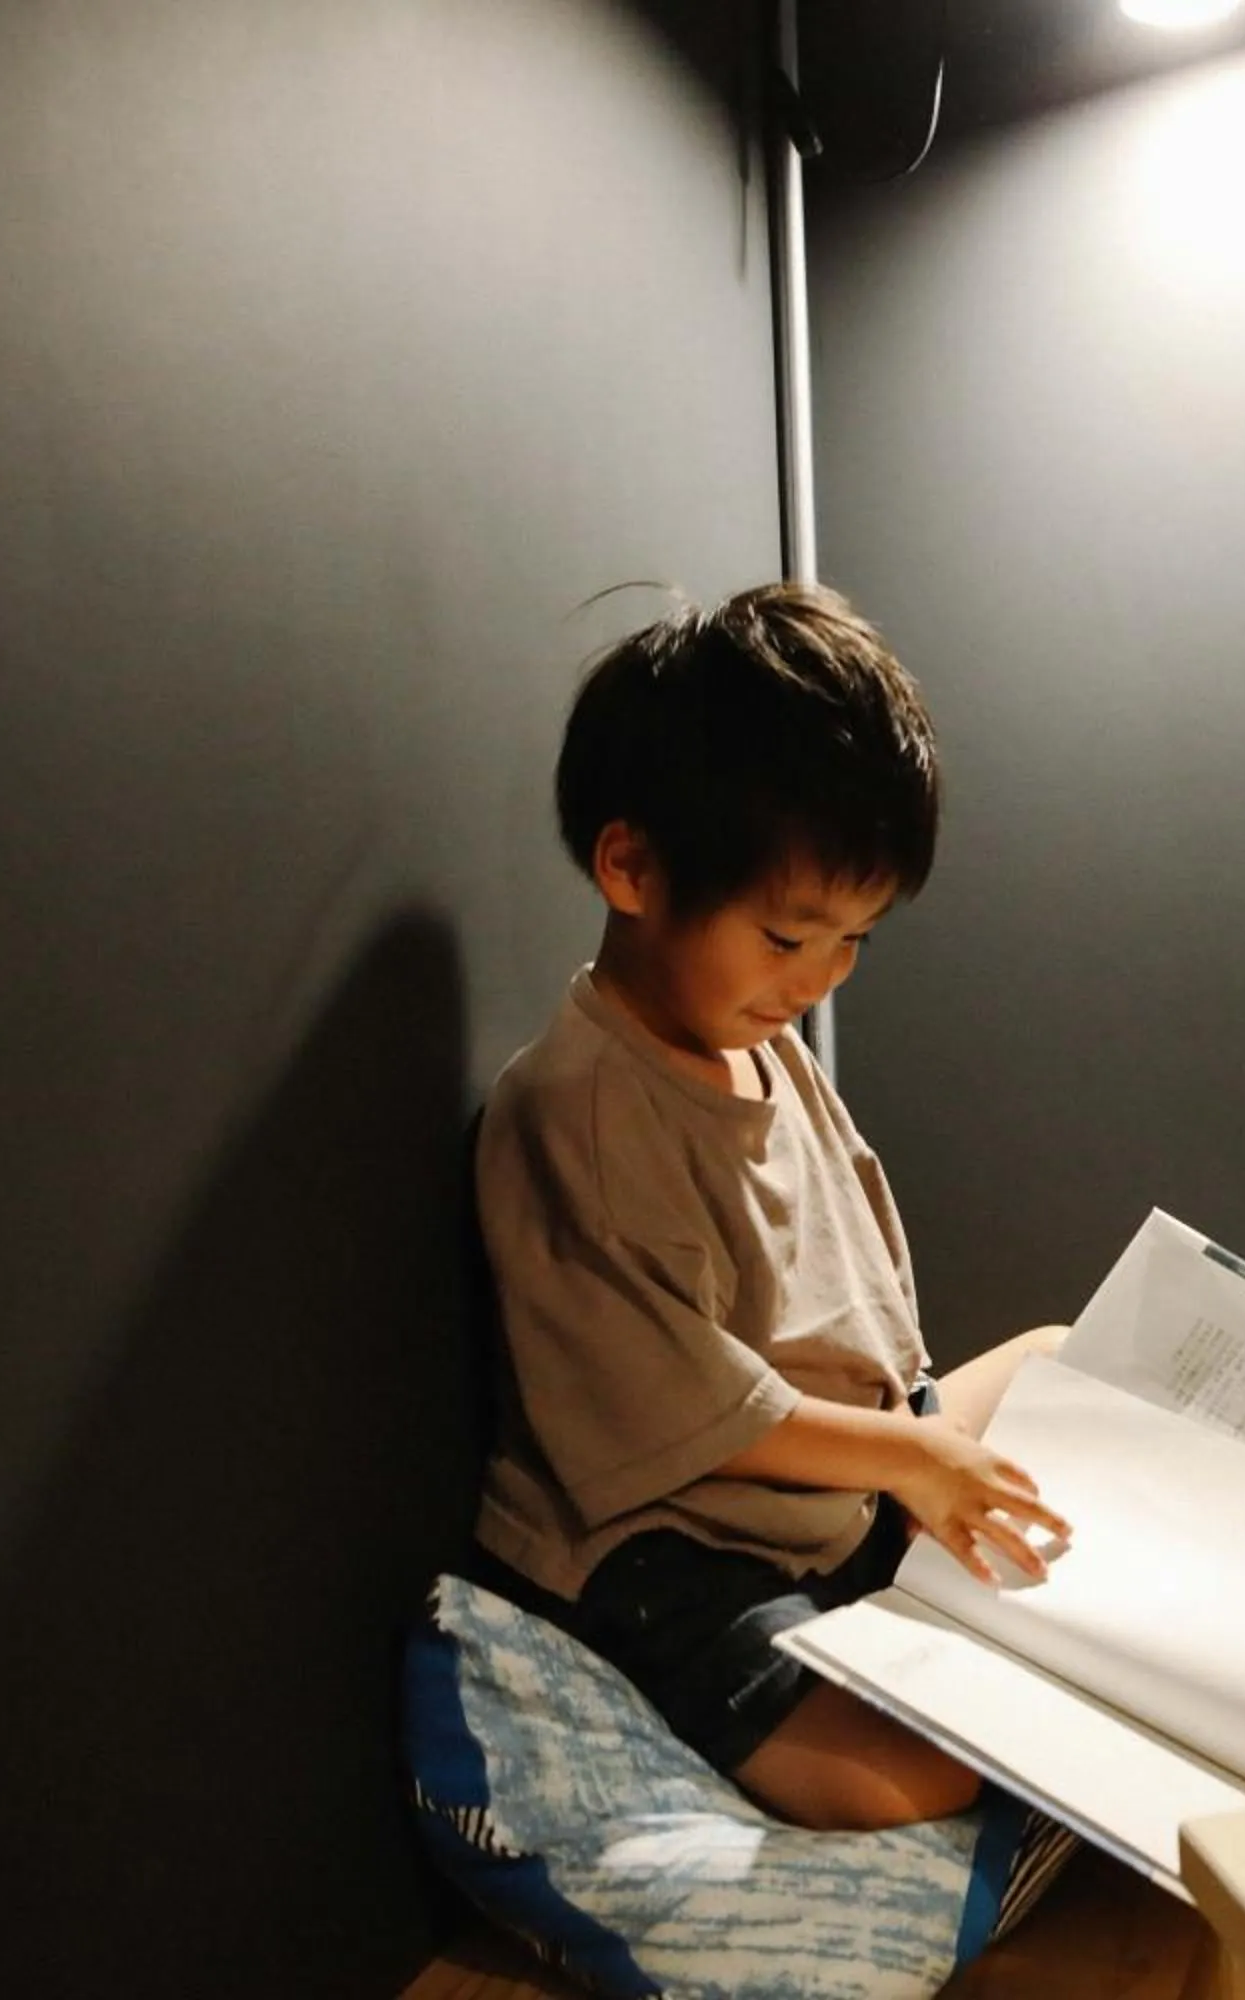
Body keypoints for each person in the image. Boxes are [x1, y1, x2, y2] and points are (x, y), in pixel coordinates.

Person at [466, 582, 1070, 1835]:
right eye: (792, 934)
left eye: (855, 939)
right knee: (908, 1778)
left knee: (1064, 1363)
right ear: (631, 865)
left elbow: (864, 1272)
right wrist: (912, 1455)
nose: (820, 976)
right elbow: (687, 1410)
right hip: (684, 1542)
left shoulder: (755, 1035)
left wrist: (918, 1433)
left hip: (841, 1485)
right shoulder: (574, 1107)